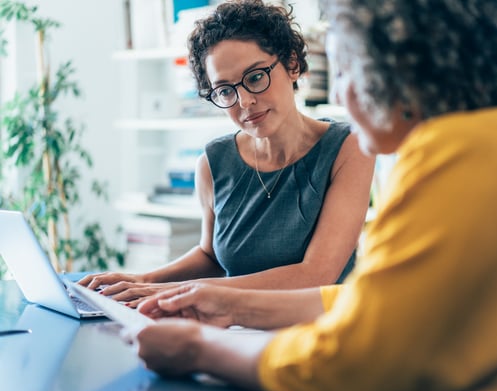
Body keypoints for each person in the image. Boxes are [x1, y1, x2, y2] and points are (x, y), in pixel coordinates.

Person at [134, 0, 497, 391]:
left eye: (348, 68)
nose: (339, 92)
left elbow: (352, 363)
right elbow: (381, 302)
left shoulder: (457, 155)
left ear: (399, 68)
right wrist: (234, 306)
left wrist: (198, 348)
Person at [79, 0, 375, 305]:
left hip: (318, 334)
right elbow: (211, 256)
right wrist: (143, 279)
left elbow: (316, 275)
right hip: (231, 326)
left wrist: (173, 292)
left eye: (256, 77)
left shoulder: (349, 146)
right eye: (224, 90)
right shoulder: (212, 162)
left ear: (292, 65)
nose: (244, 101)